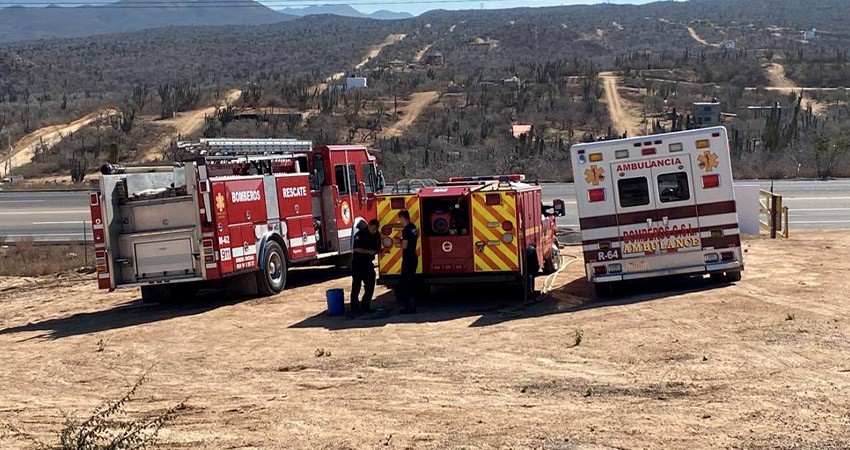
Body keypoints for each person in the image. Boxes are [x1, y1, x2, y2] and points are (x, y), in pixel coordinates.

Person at [350, 219, 381, 315]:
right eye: (373, 229)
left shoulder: (376, 235)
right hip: (358, 263)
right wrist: (369, 251)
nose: (374, 231)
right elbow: (355, 248)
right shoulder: (360, 234)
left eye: (375, 229)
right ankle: (354, 307)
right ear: (369, 225)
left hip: (368, 263)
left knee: (370, 284)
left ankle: (365, 305)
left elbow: (377, 248)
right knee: (356, 285)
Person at [397, 210, 419, 314]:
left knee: (405, 283)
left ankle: (408, 307)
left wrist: (399, 241)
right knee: (411, 282)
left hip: (408, 259)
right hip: (413, 258)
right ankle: (412, 305)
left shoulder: (406, 230)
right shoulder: (413, 227)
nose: (400, 221)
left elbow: (405, 245)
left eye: (400, 219)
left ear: (403, 217)